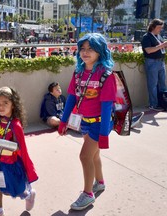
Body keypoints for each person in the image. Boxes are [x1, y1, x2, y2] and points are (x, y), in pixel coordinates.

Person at [58, 33, 117, 211]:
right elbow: (71, 98)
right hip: (84, 121)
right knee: (94, 156)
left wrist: (104, 133)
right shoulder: (78, 72)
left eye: (90, 49)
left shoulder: (106, 75)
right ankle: (99, 182)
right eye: (82, 48)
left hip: (100, 123)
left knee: (85, 156)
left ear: (100, 51)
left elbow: (107, 107)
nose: (85, 52)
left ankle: (88, 193)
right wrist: (63, 121)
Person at [0, 86, 38, 216]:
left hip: (10, 163)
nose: (1, 106)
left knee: (10, 189)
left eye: (5, 103)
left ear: (13, 105)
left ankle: (28, 195)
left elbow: (18, 147)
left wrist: (2, 143)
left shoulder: (15, 125)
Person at [141, 19, 167, 111]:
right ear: (153, 27)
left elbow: (162, 46)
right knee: (153, 84)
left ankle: (162, 103)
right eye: (159, 27)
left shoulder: (158, 36)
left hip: (160, 61)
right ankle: (153, 104)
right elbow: (148, 50)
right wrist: (162, 45)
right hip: (152, 62)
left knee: (162, 84)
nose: (160, 29)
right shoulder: (146, 37)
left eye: (161, 28)